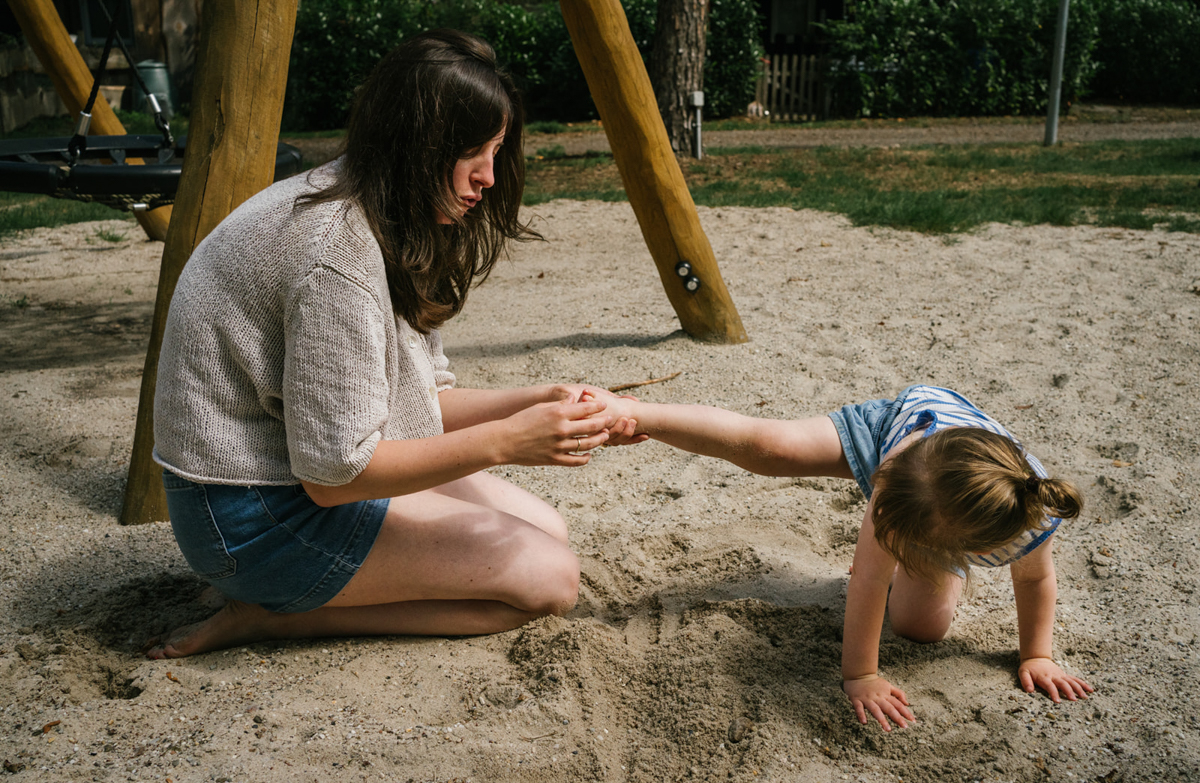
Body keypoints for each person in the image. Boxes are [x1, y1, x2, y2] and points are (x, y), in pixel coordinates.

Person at [145, 30, 619, 659]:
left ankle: (294, 599)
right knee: (551, 580)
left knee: (547, 530)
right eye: (471, 153)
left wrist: (541, 401)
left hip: (290, 476)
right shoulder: (335, 255)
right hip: (247, 518)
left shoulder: (381, 209)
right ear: (416, 146)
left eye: (496, 150)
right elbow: (336, 475)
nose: (488, 177)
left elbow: (414, 402)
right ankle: (273, 616)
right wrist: (508, 441)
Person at [588, 384, 1094, 730]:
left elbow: (1034, 581)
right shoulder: (900, 478)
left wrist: (1037, 655)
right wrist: (861, 675)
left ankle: (930, 568)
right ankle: (640, 412)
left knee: (922, 627)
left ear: (976, 550)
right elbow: (867, 580)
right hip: (906, 432)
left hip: (948, 498)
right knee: (772, 447)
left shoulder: (1031, 517)